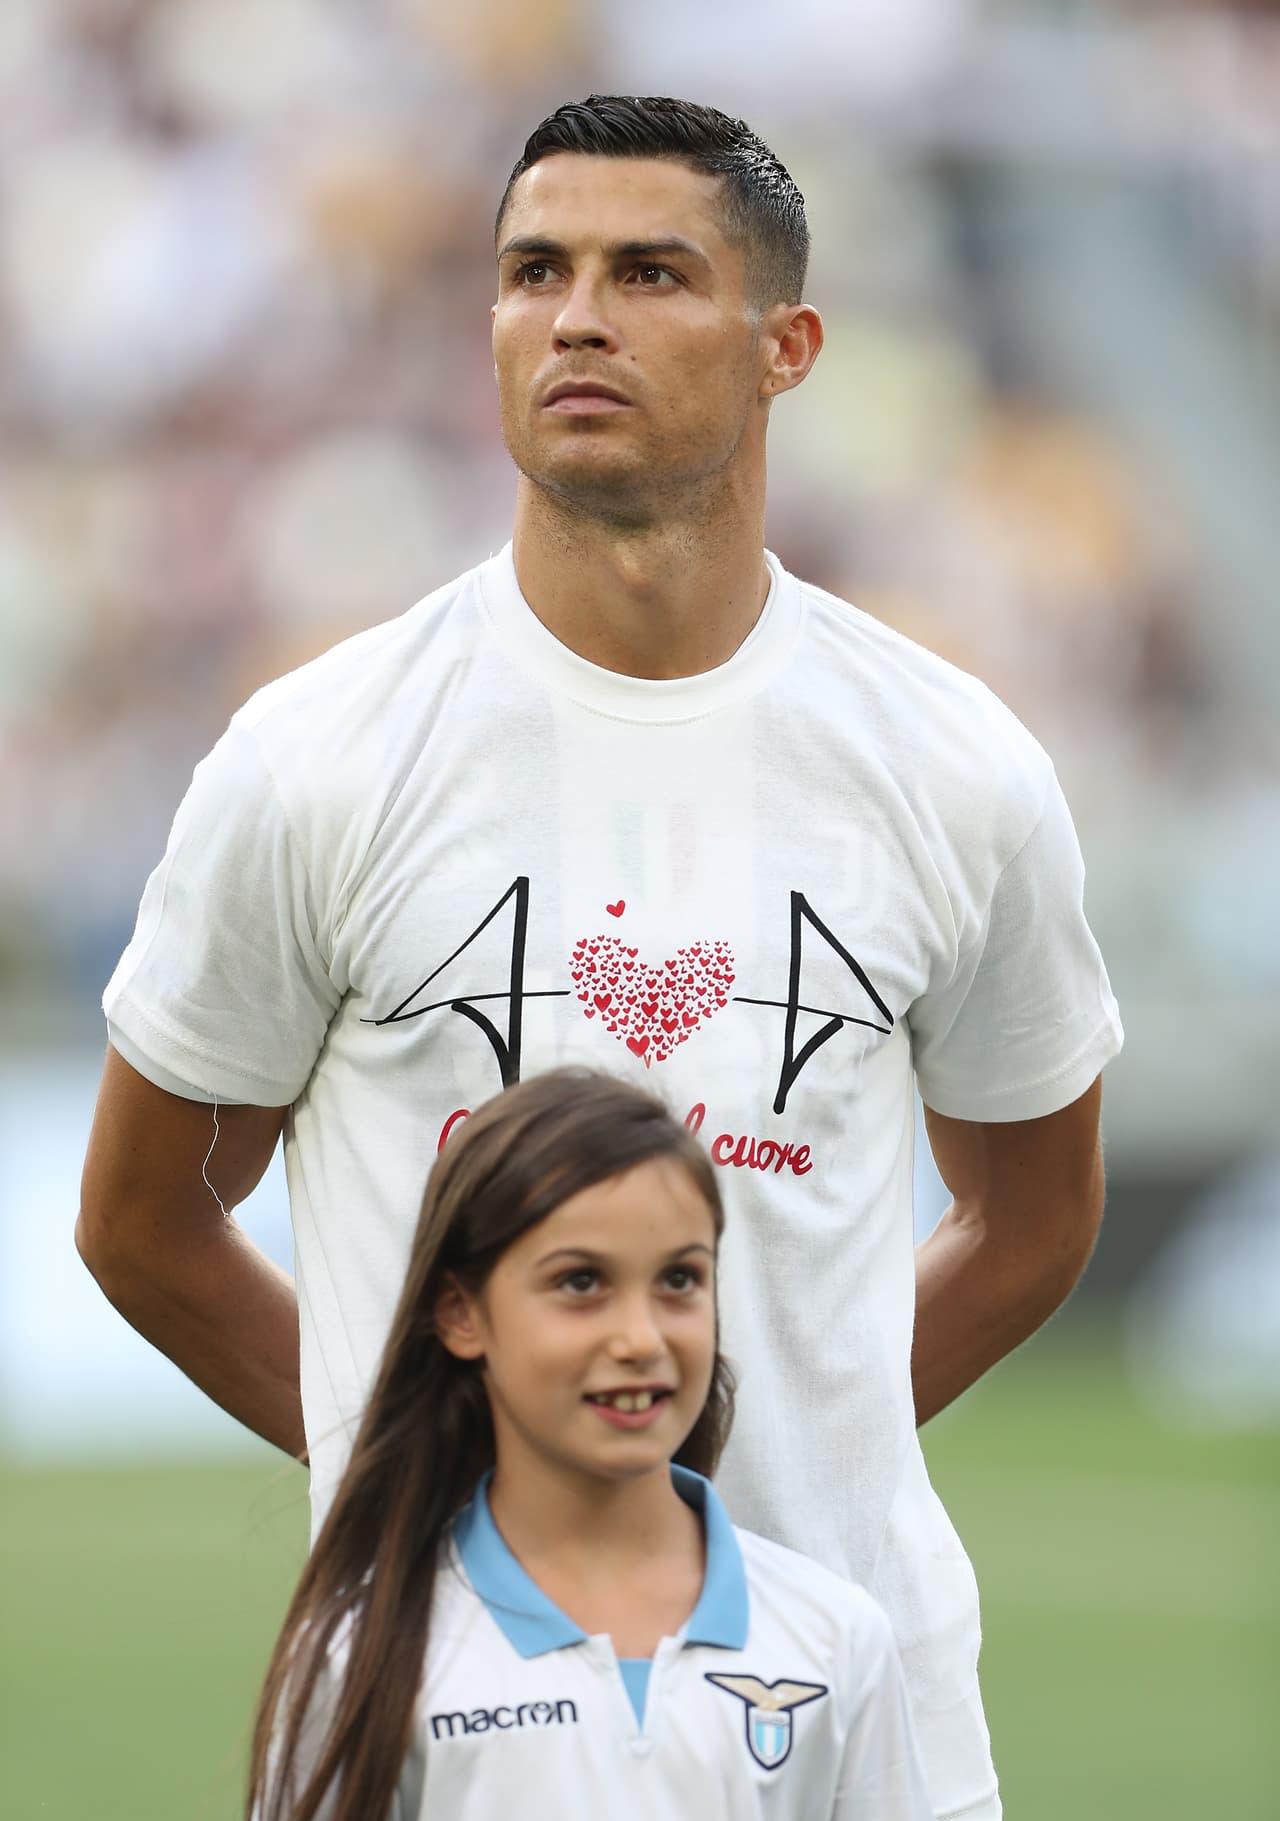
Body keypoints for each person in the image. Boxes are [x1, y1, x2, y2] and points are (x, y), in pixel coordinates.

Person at [78, 95, 1124, 1820]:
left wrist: (784, 1443)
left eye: (650, 272)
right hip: (435, 1720)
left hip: (861, 1724)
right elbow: (143, 1219)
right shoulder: (317, 758)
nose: (575, 316)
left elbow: (1036, 1213)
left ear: (786, 345)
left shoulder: (958, 766)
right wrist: (424, 1466)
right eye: (531, 272)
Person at [247, 1067, 933, 1820]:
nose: (640, 1337)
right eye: (580, 1282)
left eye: (679, 1278)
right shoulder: (367, 1657)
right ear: (460, 1312)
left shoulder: (836, 1639)